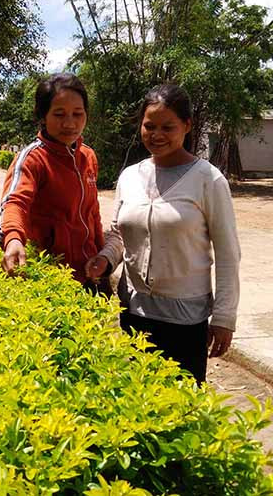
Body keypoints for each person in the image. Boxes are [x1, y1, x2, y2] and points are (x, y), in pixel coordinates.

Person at [84, 84, 241, 383]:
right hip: (134, 314)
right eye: (149, 126)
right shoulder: (130, 176)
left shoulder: (208, 180)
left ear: (187, 125)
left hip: (185, 321)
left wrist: (224, 318)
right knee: (137, 406)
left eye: (168, 127)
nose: (156, 135)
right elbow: (119, 235)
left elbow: (228, 254)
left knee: (181, 413)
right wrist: (105, 260)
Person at [0, 73, 106, 291]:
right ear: (43, 116)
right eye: (59, 114)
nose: (70, 123)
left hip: (90, 275)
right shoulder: (32, 159)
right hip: (52, 280)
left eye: (78, 114)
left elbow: (92, 213)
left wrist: (102, 255)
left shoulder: (88, 157)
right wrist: (13, 239)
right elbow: (14, 203)